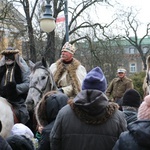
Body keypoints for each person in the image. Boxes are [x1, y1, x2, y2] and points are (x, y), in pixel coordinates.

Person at [50, 67, 127, 150]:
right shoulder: (118, 116)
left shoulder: (64, 113)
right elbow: (125, 144)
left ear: (83, 88)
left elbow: (55, 141)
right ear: (103, 89)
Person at [0, 47, 30, 124]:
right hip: (1, 97)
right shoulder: (1, 67)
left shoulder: (22, 68)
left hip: (17, 99)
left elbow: (28, 83)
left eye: (10, 55)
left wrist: (15, 88)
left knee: (24, 114)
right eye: (6, 55)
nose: (8, 58)